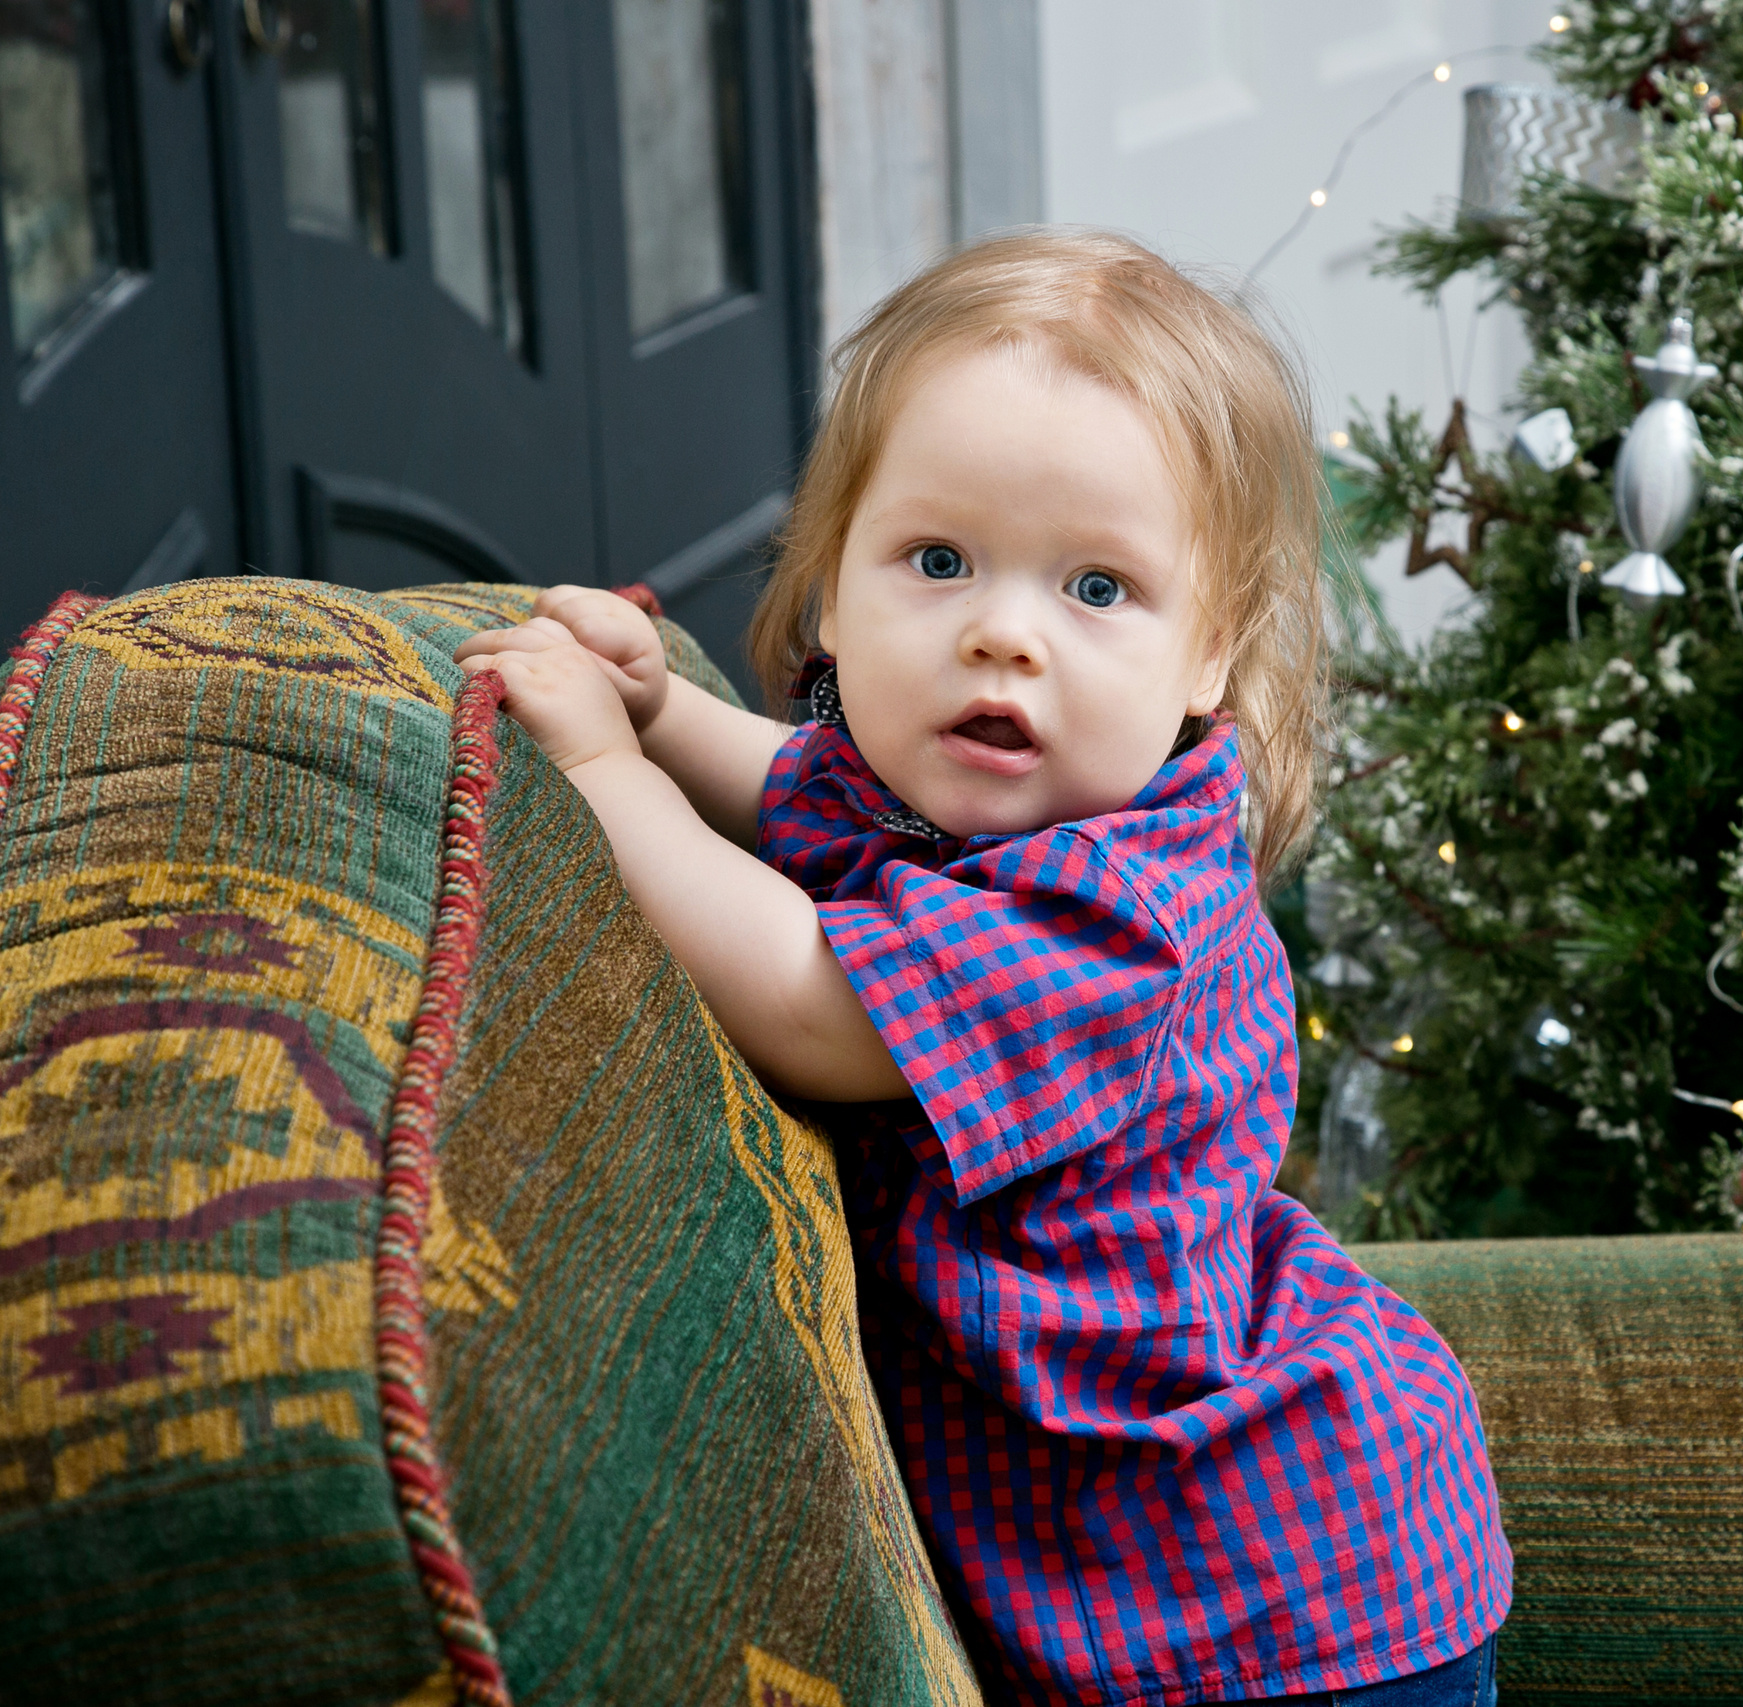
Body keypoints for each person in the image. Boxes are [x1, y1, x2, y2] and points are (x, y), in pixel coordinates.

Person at [454, 229, 1509, 1706]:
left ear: (1211, 658)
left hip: (1271, 1603)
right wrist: (667, 719)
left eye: (1097, 589)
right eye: (938, 562)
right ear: (829, 594)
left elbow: (813, 1003)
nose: (1003, 634)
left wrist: (598, 769)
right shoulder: (948, 805)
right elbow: (809, 786)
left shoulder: (1122, 915)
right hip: (1162, 1572)